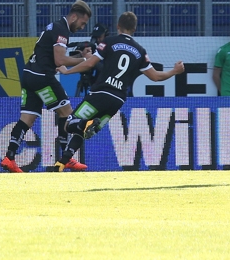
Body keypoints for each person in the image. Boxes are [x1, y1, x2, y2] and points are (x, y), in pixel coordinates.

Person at [56, 12, 185, 171]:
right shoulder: (140, 51)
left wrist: (67, 72)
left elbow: (90, 64)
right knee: (82, 132)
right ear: (135, 28)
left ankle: (86, 122)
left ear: (118, 26)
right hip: (117, 100)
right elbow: (155, 77)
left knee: (69, 124)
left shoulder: (109, 42)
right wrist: (174, 71)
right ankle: (62, 162)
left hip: (100, 93)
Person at [2, 0, 93, 173]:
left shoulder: (54, 26)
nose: (82, 27)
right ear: (74, 17)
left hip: (29, 75)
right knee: (66, 113)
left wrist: (67, 67)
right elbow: (59, 59)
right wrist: (84, 60)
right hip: (42, 77)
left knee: (27, 119)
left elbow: (54, 60)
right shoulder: (62, 30)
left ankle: (10, 157)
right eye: (82, 23)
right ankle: (67, 158)